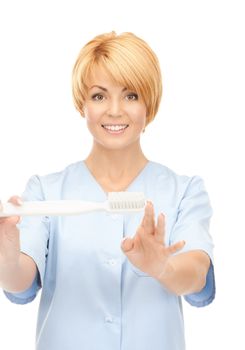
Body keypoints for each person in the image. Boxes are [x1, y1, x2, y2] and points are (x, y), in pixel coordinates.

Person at [0, 31, 215, 350]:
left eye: (131, 96)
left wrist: (162, 267)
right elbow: (21, 280)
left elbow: (197, 274)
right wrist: (5, 257)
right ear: (82, 103)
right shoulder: (46, 191)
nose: (115, 110)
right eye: (99, 96)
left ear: (149, 103)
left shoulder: (184, 190)